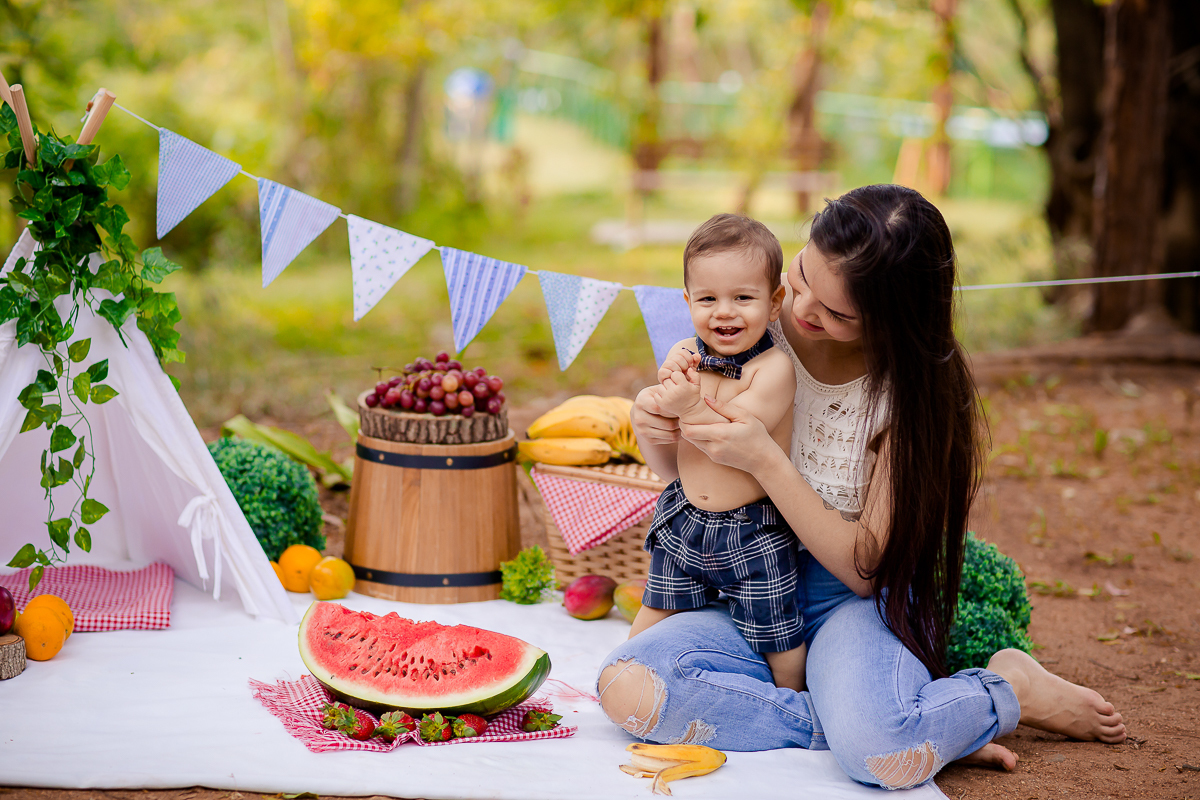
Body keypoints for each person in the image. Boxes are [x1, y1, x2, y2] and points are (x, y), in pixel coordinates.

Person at [596, 185, 1126, 790]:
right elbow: (690, 478)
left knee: (877, 748)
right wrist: (657, 432)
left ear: (889, 319)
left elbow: (864, 571)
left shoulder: (906, 398)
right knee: (627, 688)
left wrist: (768, 462)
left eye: (835, 312)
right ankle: (893, 726)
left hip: (844, 601)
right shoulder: (752, 324)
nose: (800, 311)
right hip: (748, 585)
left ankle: (1004, 689)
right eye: (798, 279)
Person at [631, 213, 803, 691]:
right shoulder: (685, 352)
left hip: (753, 529)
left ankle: (792, 698)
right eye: (708, 299)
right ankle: (623, 669)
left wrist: (684, 405)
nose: (723, 312)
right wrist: (649, 410)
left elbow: (733, 434)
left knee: (778, 634)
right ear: (687, 302)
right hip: (685, 519)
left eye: (742, 298)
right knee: (657, 603)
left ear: (774, 303)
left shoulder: (772, 369)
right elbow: (666, 431)